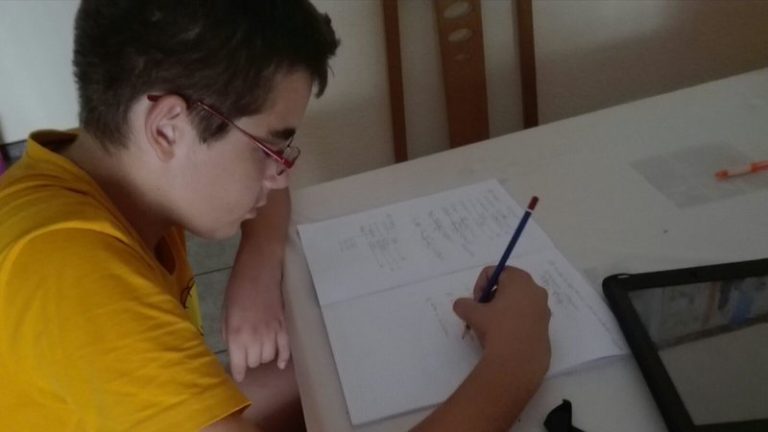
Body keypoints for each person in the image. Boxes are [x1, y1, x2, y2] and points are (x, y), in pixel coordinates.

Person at [0, 1, 551, 431]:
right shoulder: (70, 270)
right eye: (269, 147)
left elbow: (268, 198)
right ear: (167, 127)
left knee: (322, 360)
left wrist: (258, 263)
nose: (280, 175)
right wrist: (516, 361)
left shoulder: (101, 165)